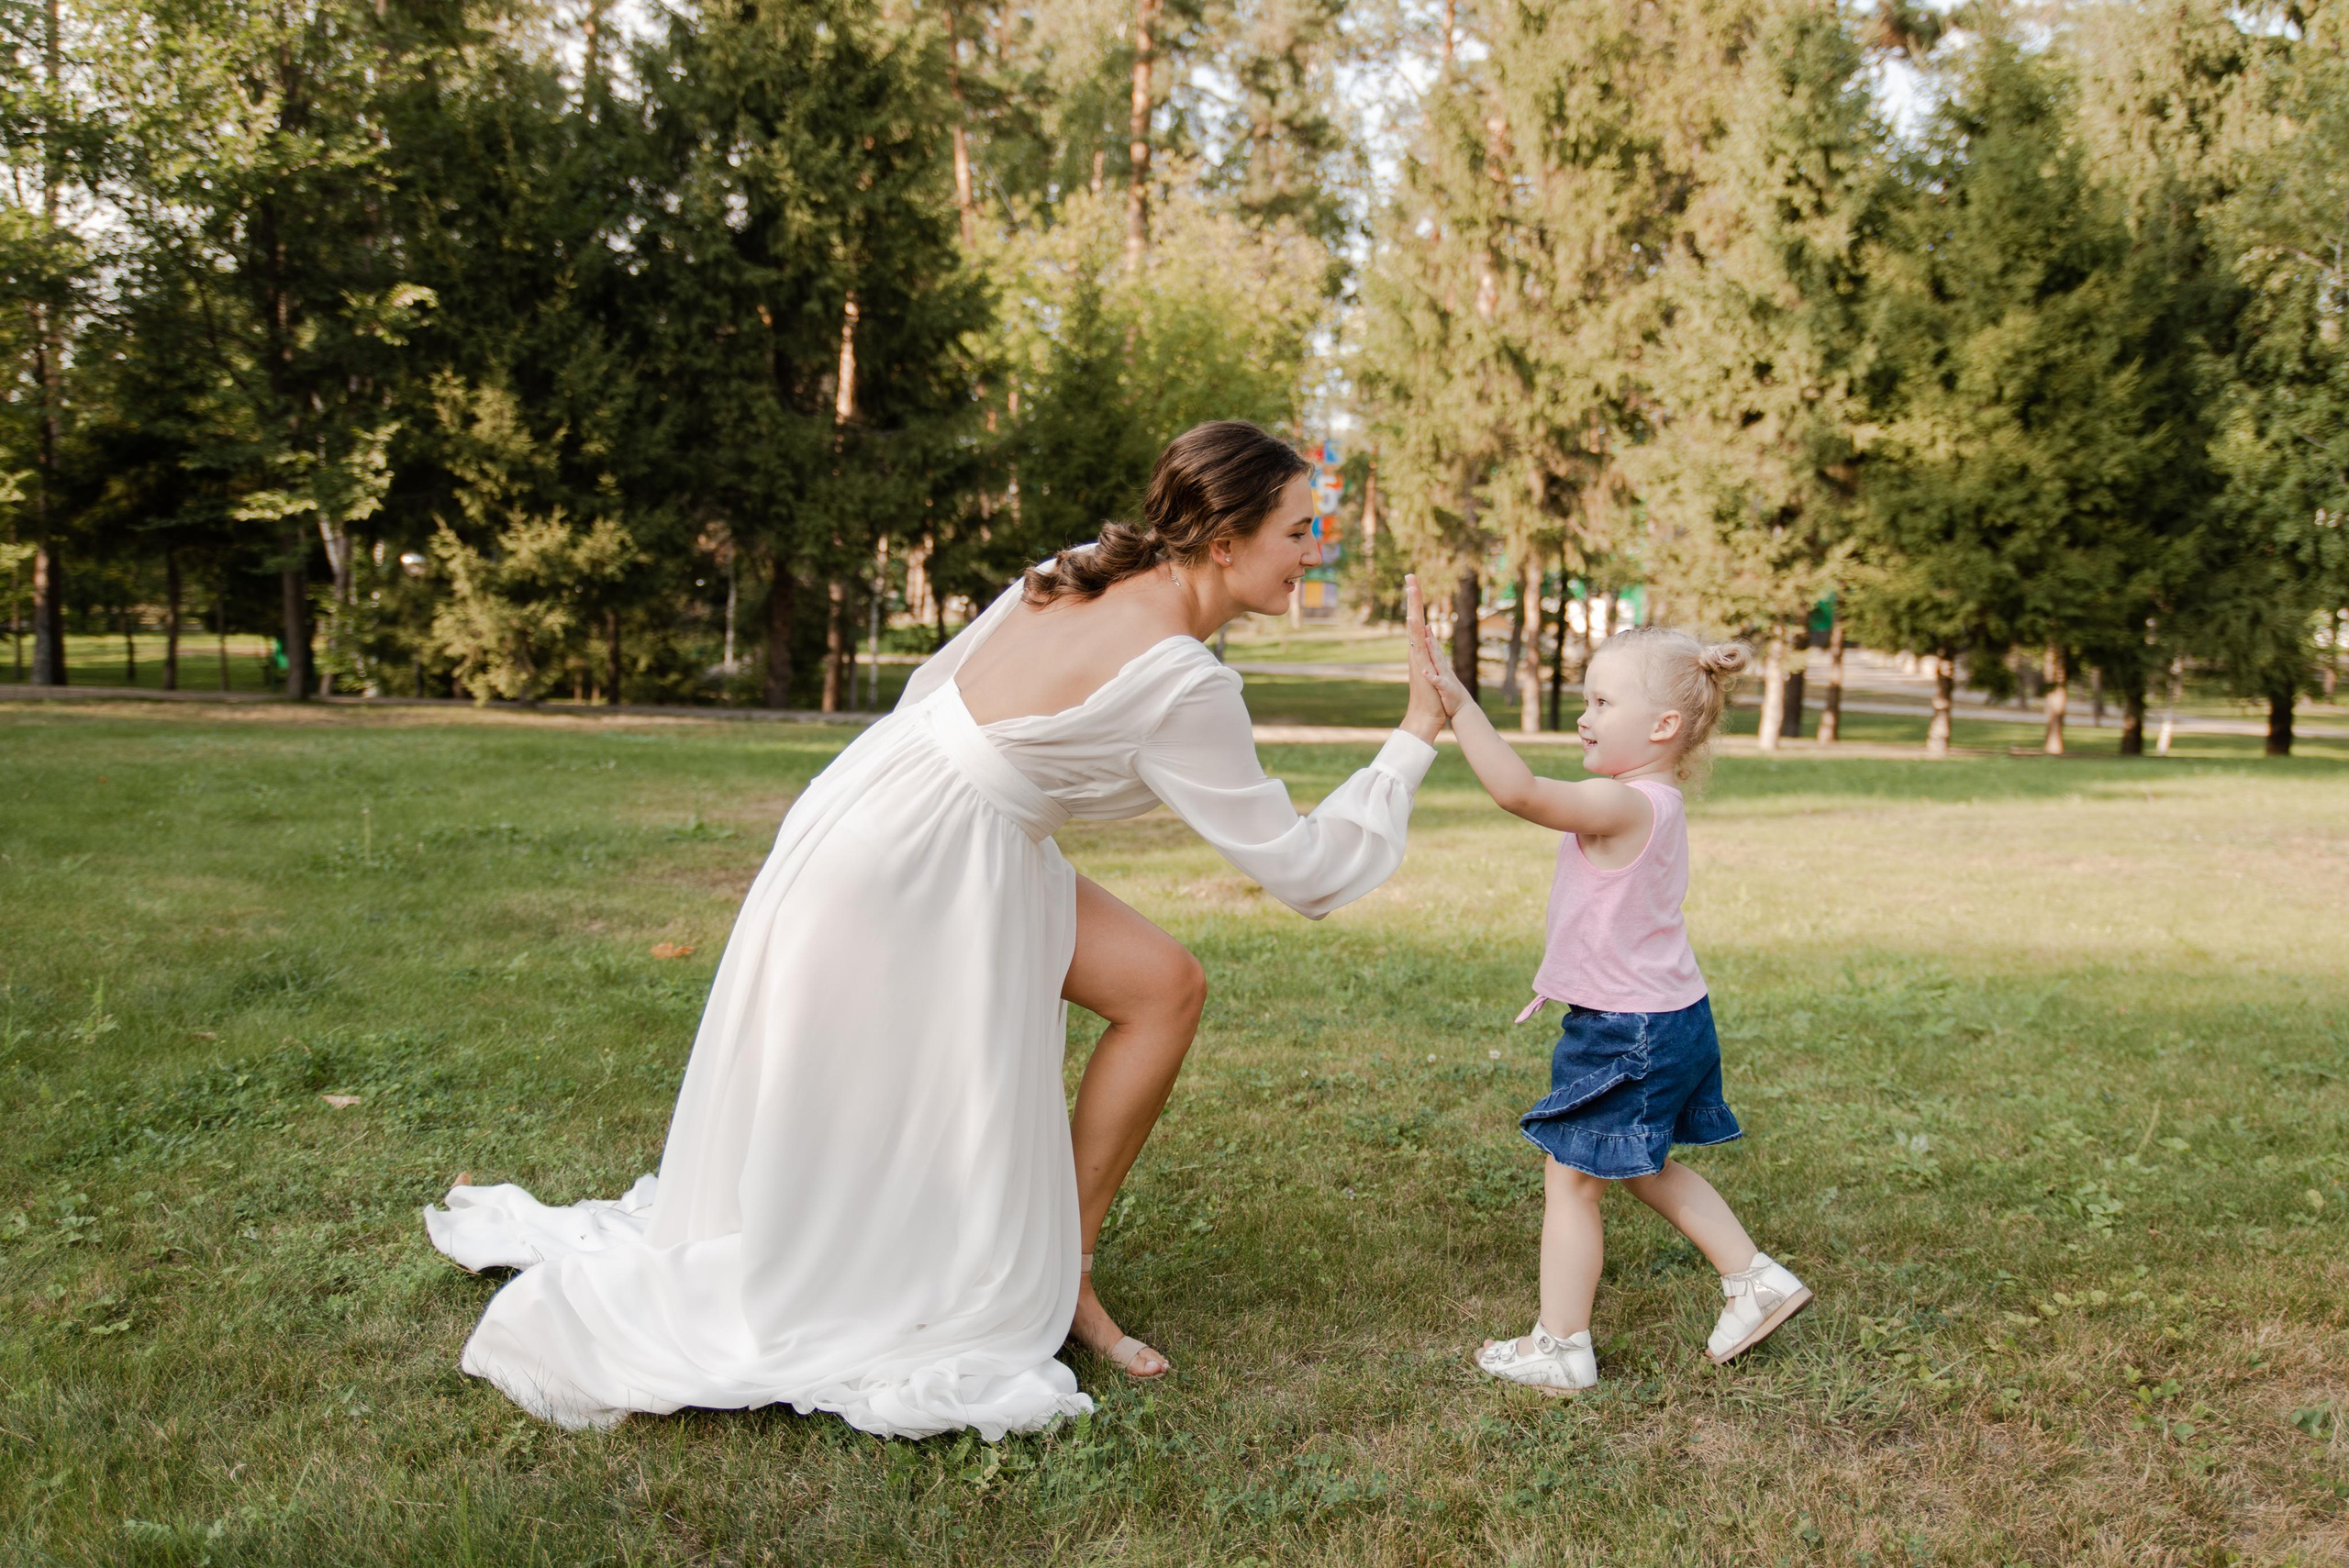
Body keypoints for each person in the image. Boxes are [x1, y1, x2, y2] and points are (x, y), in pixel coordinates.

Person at [424, 420, 1454, 1438]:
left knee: (1162, 983)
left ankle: (1067, 1268)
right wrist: (1414, 732)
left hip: (884, 794)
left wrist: (1000, 827)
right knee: (901, 1093)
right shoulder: (1186, 680)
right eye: (1298, 531)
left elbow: (932, 690)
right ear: (1223, 543)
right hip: (909, 856)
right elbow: (1307, 872)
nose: (1311, 552)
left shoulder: (1075, 568)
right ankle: (1013, 1276)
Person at [1413, 620, 1811, 1394]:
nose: (1584, 716)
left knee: (1571, 1177)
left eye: (1601, 700)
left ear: (1663, 725)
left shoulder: (1621, 803)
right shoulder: (1652, 800)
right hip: (1670, 1017)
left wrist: (1458, 703)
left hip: (1627, 1028)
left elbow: (1519, 792)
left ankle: (1561, 1344)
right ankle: (1752, 1278)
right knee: (1643, 1163)